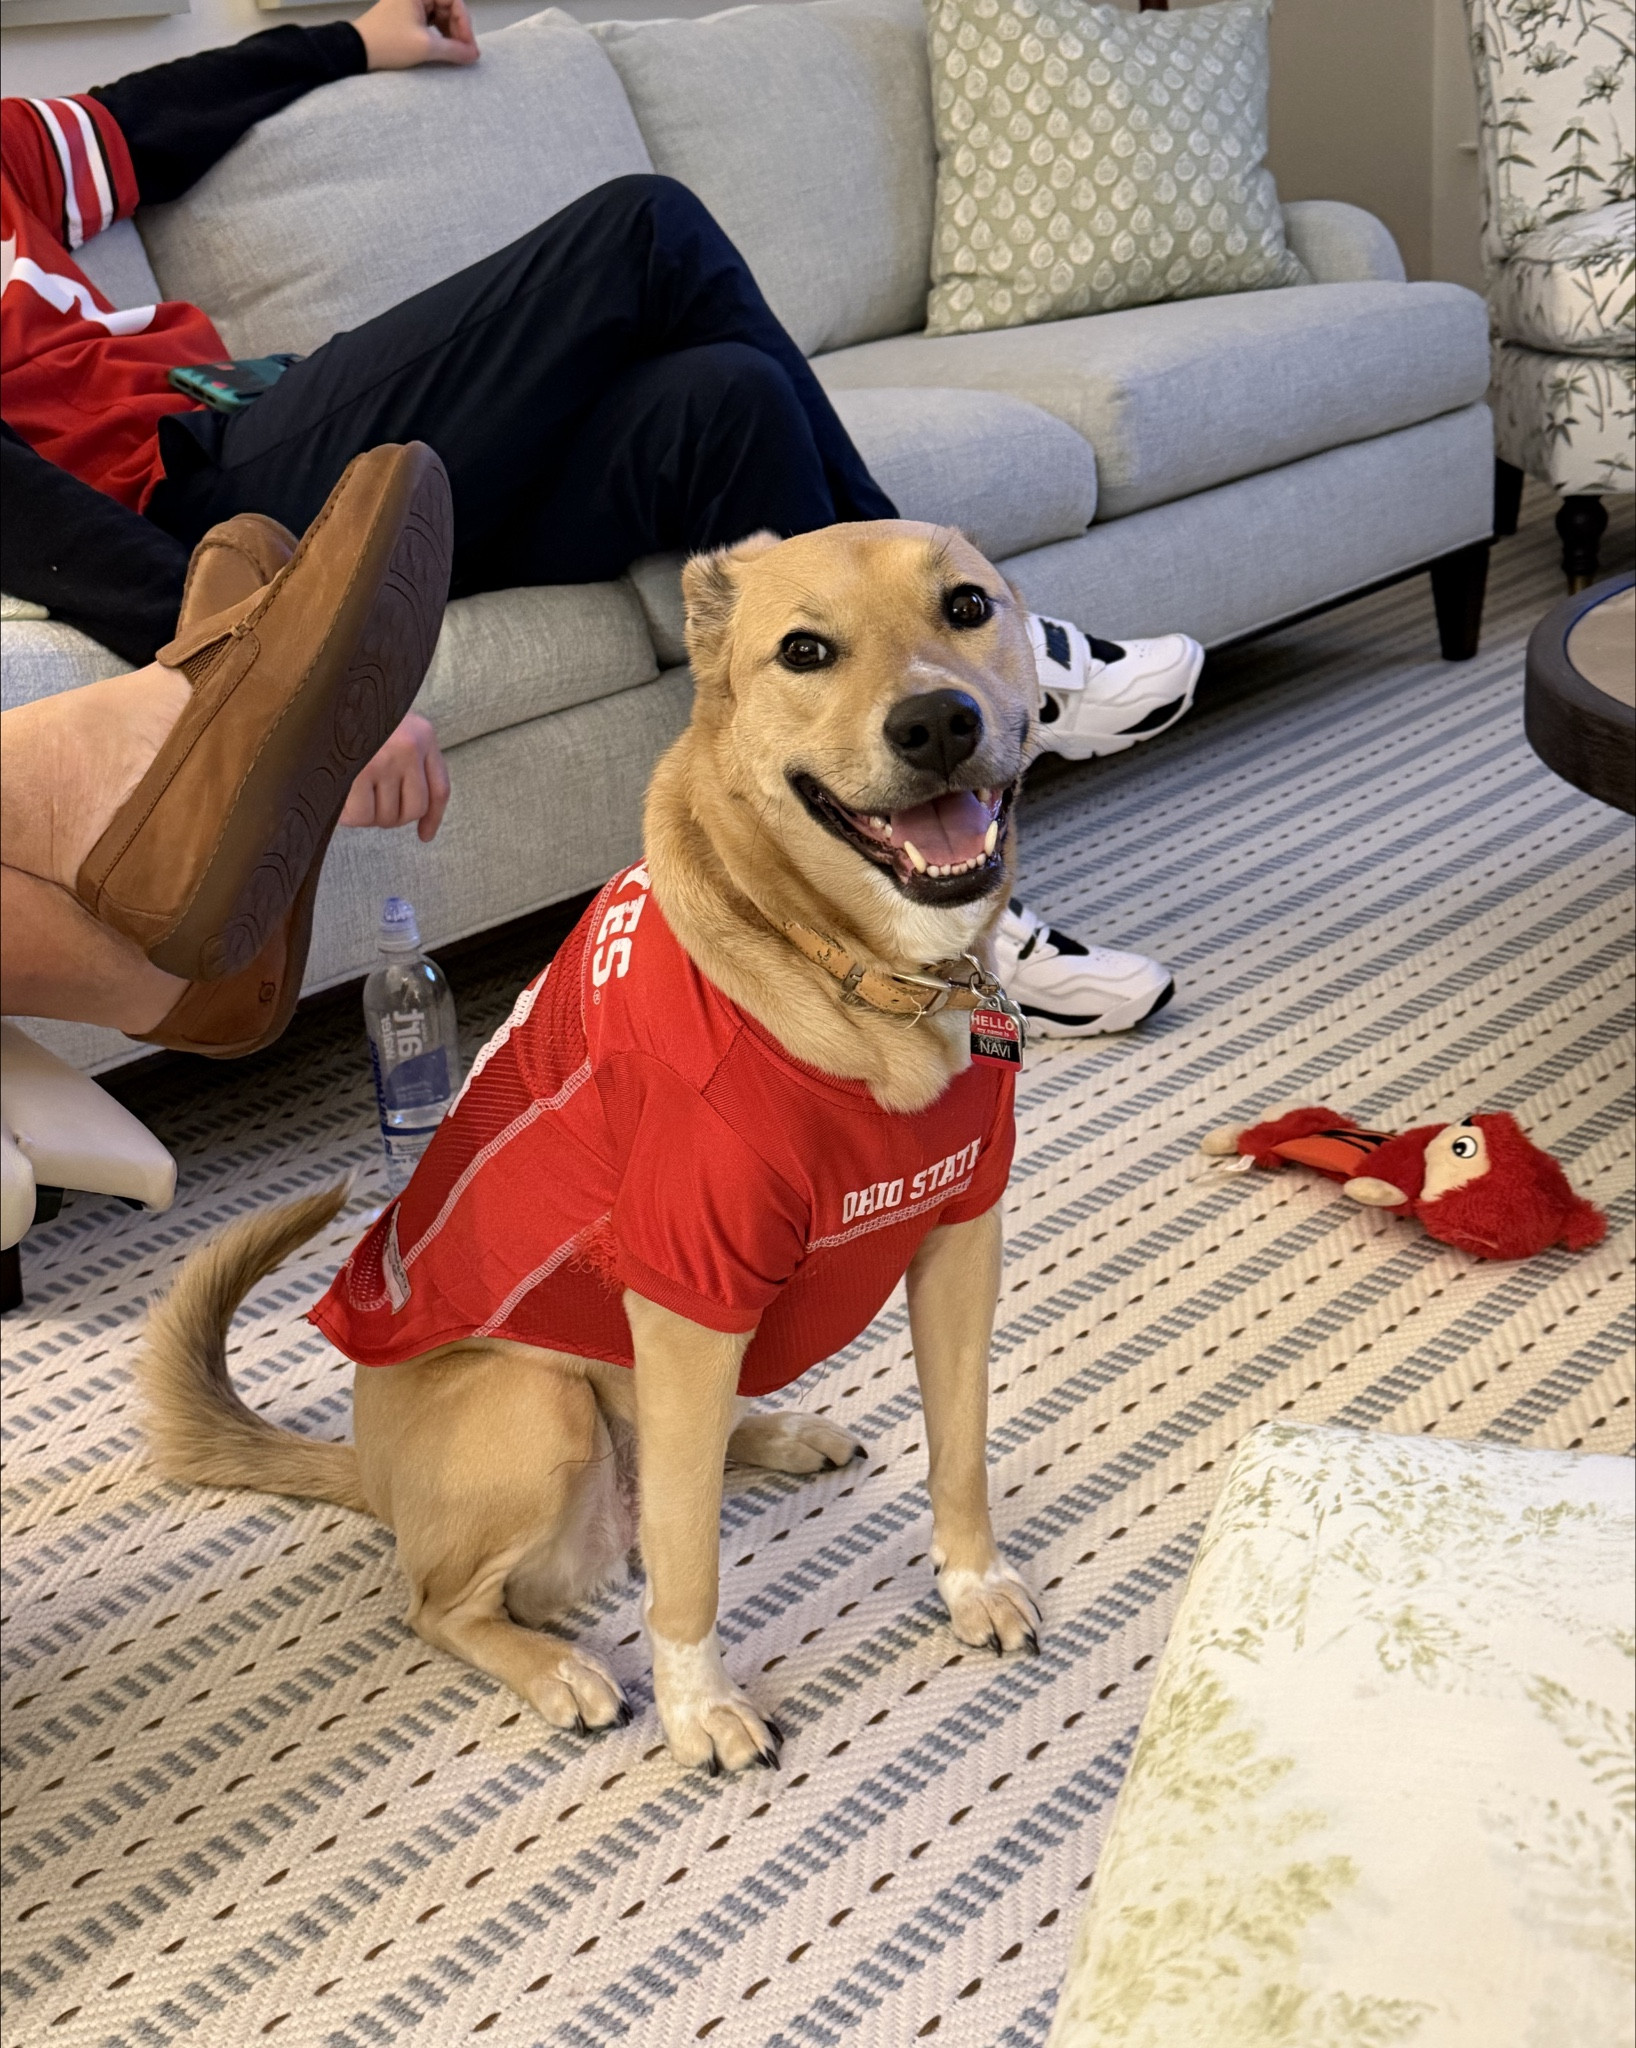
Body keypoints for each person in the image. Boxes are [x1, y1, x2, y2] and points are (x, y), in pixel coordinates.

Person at [1, 0, 1202, 1043]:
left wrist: (357, 39)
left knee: (725, 401)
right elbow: (29, 512)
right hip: (207, 501)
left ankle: (944, 932)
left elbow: (146, 114)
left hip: (259, 423)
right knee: (644, 228)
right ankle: (990, 651)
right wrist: (289, 672)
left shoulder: (11, 153)